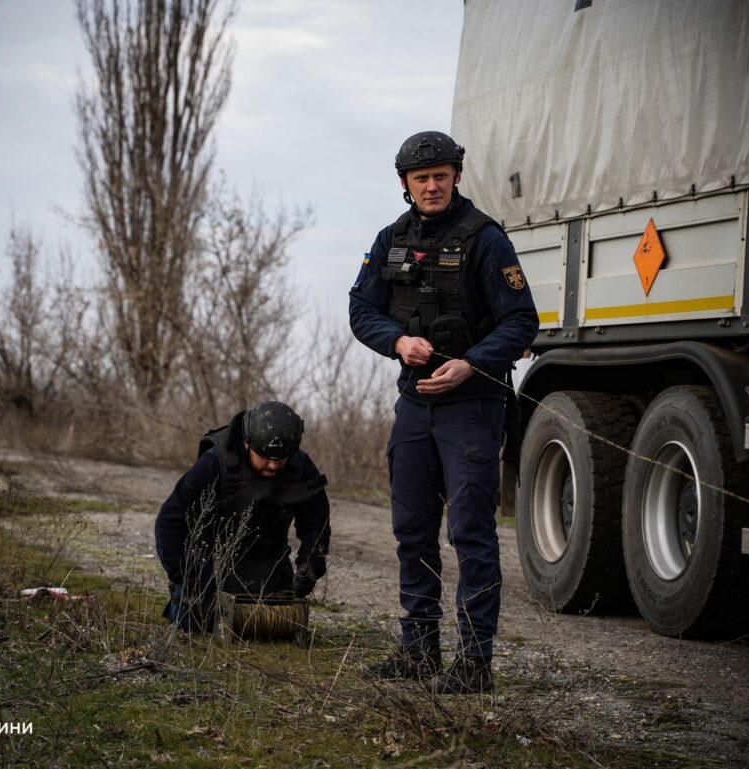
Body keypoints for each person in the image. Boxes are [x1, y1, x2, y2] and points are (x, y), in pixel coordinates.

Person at [349, 131, 538, 693]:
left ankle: (475, 664)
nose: (431, 186)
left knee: (472, 533)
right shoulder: (391, 239)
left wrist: (472, 364)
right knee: (411, 530)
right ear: (405, 184)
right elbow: (362, 308)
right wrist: (396, 342)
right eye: (420, 178)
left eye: (440, 175)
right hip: (414, 406)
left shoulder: (485, 239)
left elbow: (522, 320)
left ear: (457, 175)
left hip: (471, 406)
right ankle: (418, 652)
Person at [155, 401, 331, 632]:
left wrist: (311, 563)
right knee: (198, 629)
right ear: (247, 443)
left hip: (269, 567)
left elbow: (316, 522)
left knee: (278, 631)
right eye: (266, 457)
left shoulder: (301, 466)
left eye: (281, 458)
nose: (273, 465)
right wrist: (186, 577)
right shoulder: (215, 462)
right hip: (209, 569)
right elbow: (170, 522)